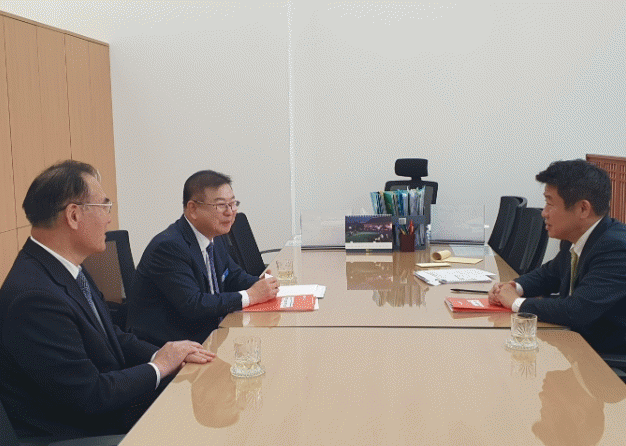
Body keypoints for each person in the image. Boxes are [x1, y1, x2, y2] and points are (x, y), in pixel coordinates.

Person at [0, 160, 215, 438]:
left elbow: (110, 336)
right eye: (104, 207)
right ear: (74, 215)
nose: (109, 219)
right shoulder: (35, 298)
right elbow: (90, 395)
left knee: (206, 398)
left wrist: (165, 353)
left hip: (111, 409)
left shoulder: (67, 268)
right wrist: (159, 366)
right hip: (81, 433)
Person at [489, 159, 626, 354]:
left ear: (583, 209)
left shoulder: (617, 248)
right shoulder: (575, 237)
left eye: (549, 203)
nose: (544, 213)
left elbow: (578, 310)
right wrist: (513, 287)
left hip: (605, 356)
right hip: (574, 344)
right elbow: (549, 274)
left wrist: (516, 303)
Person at [128, 170, 278, 346]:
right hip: (171, 346)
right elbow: (193, 304)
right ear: (193, 209)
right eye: (221, 205)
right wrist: (250, 296)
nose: (230, 212)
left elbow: (232, 275)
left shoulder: (215, 236)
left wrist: (260, 284)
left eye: (233, 203)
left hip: (210, 337)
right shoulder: (169, 247)